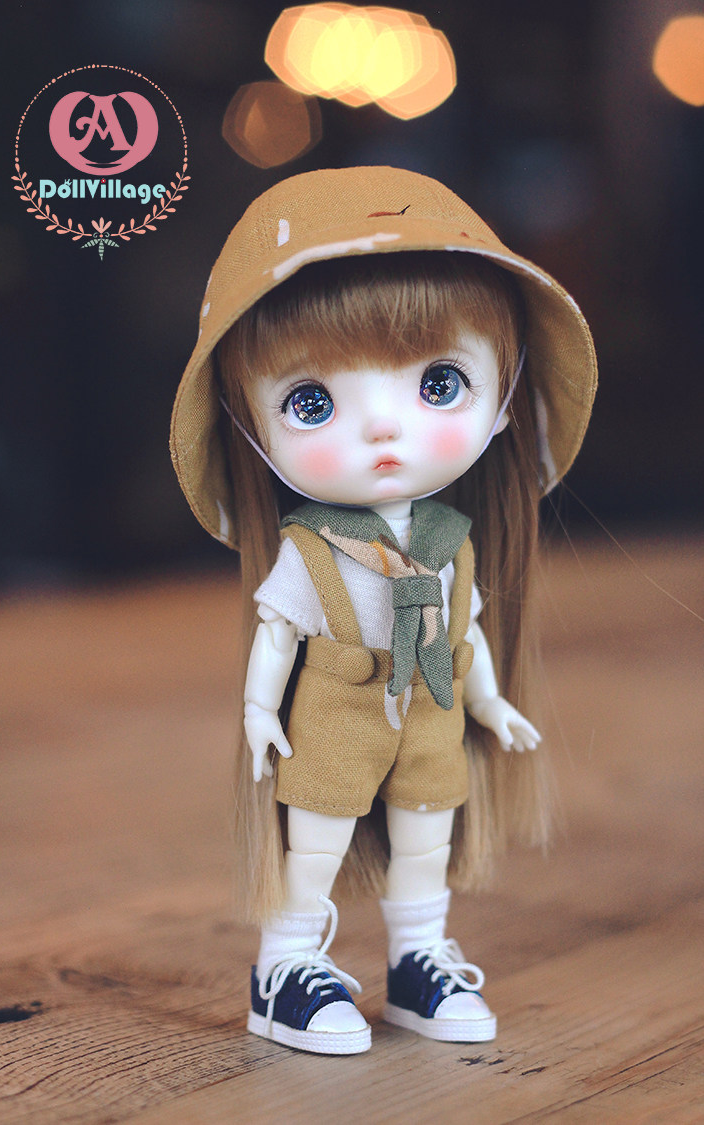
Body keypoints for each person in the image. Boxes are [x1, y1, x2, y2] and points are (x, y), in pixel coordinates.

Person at [170, 166, 597, 1055]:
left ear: (505, 399)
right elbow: (279, 631)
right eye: (313, 402)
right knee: (315, 844)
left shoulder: (448, 538)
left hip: (433, 711)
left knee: (425, 838)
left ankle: (417, 960)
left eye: (438, 383)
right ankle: (285, 965)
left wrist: (489, 701)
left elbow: (463, 628)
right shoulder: (312, 549)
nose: (382, 428)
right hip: (334, 714)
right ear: (250, 428)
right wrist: (259, 709)